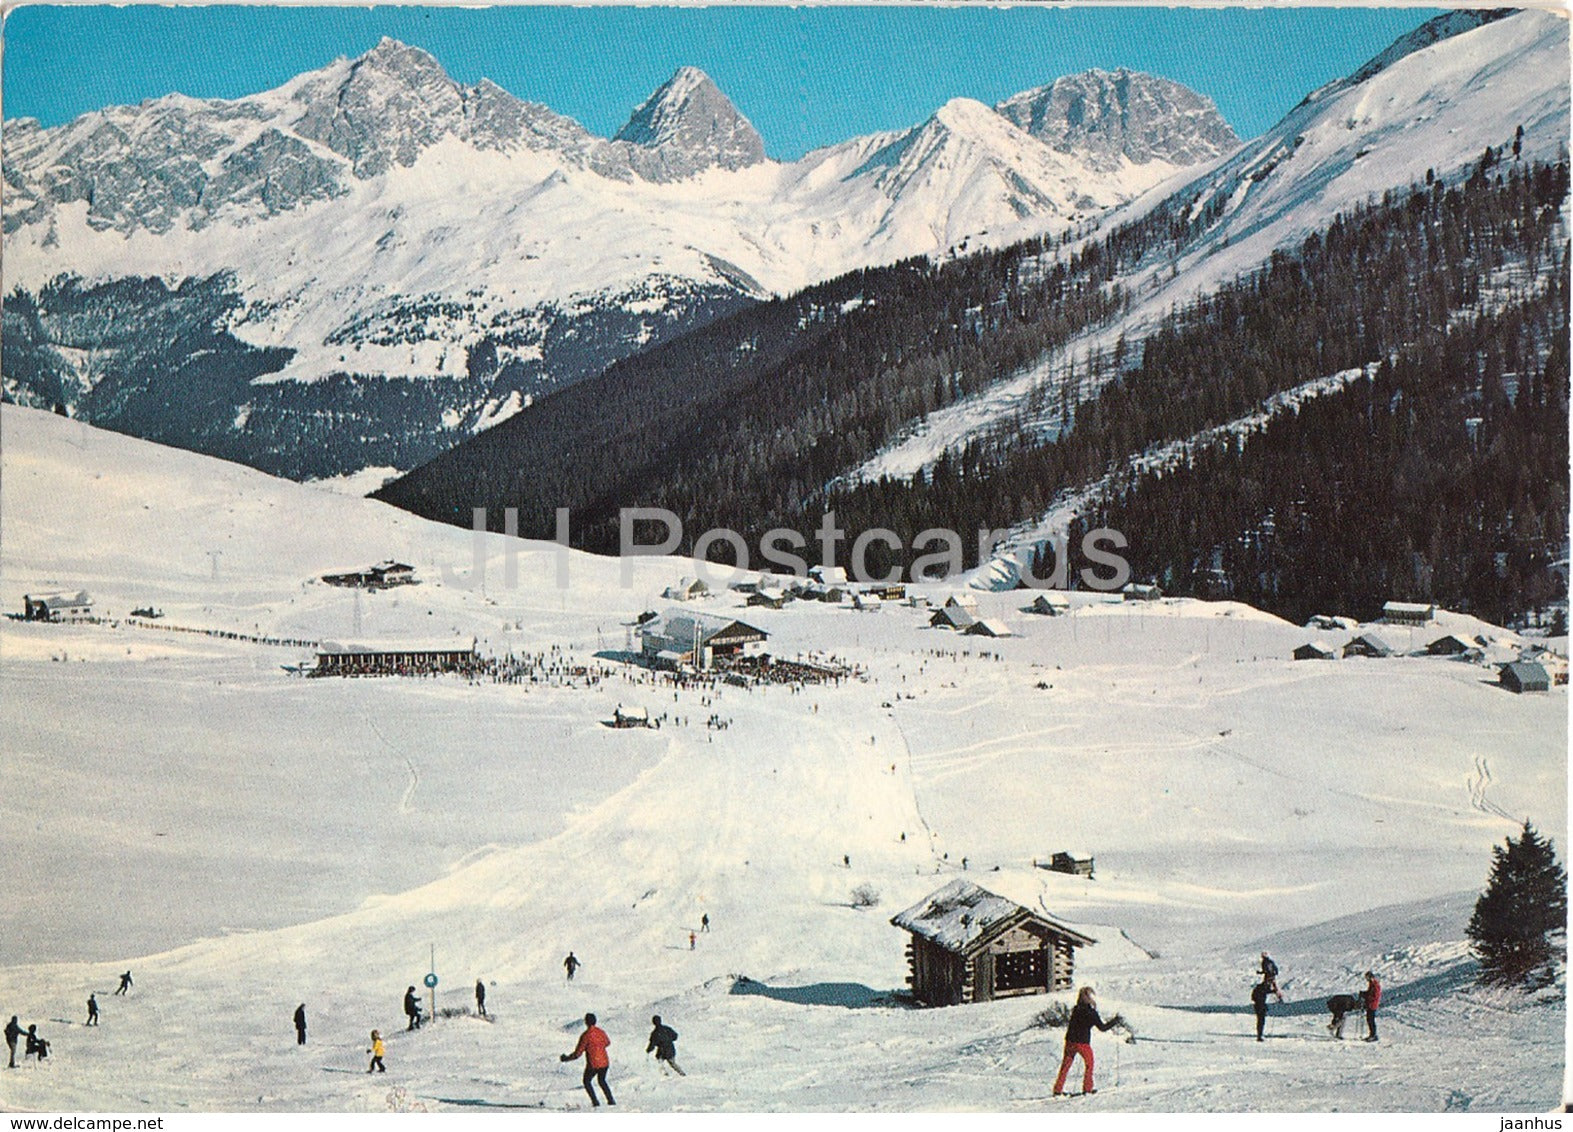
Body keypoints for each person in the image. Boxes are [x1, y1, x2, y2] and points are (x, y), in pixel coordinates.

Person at [1053, 987, 1121, 1097]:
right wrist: (1115, 1021)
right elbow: (1102, 1028)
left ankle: (1057, 1089)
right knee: (1089, 1064)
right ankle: (1087, 1088)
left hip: (1070, 1040)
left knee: (1065, 1065)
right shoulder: (1091, 1013)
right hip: (1082, 1043)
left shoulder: (1076, 1009)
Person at [561, 1012, 615, 1107]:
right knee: (602, 1081)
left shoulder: (585, 1036)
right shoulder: (601, 1032)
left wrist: (566, 1058)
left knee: (587, 1081)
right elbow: (607, 1042)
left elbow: (577, 1054)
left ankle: (595, 1102)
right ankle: (611, 1101)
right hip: (605, 1062)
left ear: (586, 1022)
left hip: (593, 1064)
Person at [1363, 971, 1382, 1042]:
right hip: (1370, 1004)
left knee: (1371, 1020)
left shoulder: (1375, 985)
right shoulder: (1372, 984)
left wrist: (1367, 997)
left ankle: (1373, 1035)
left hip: (1372, 1005)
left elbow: (1375, 996)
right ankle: (1372, 1034)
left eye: (1367, 978)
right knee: (1369, 1019)